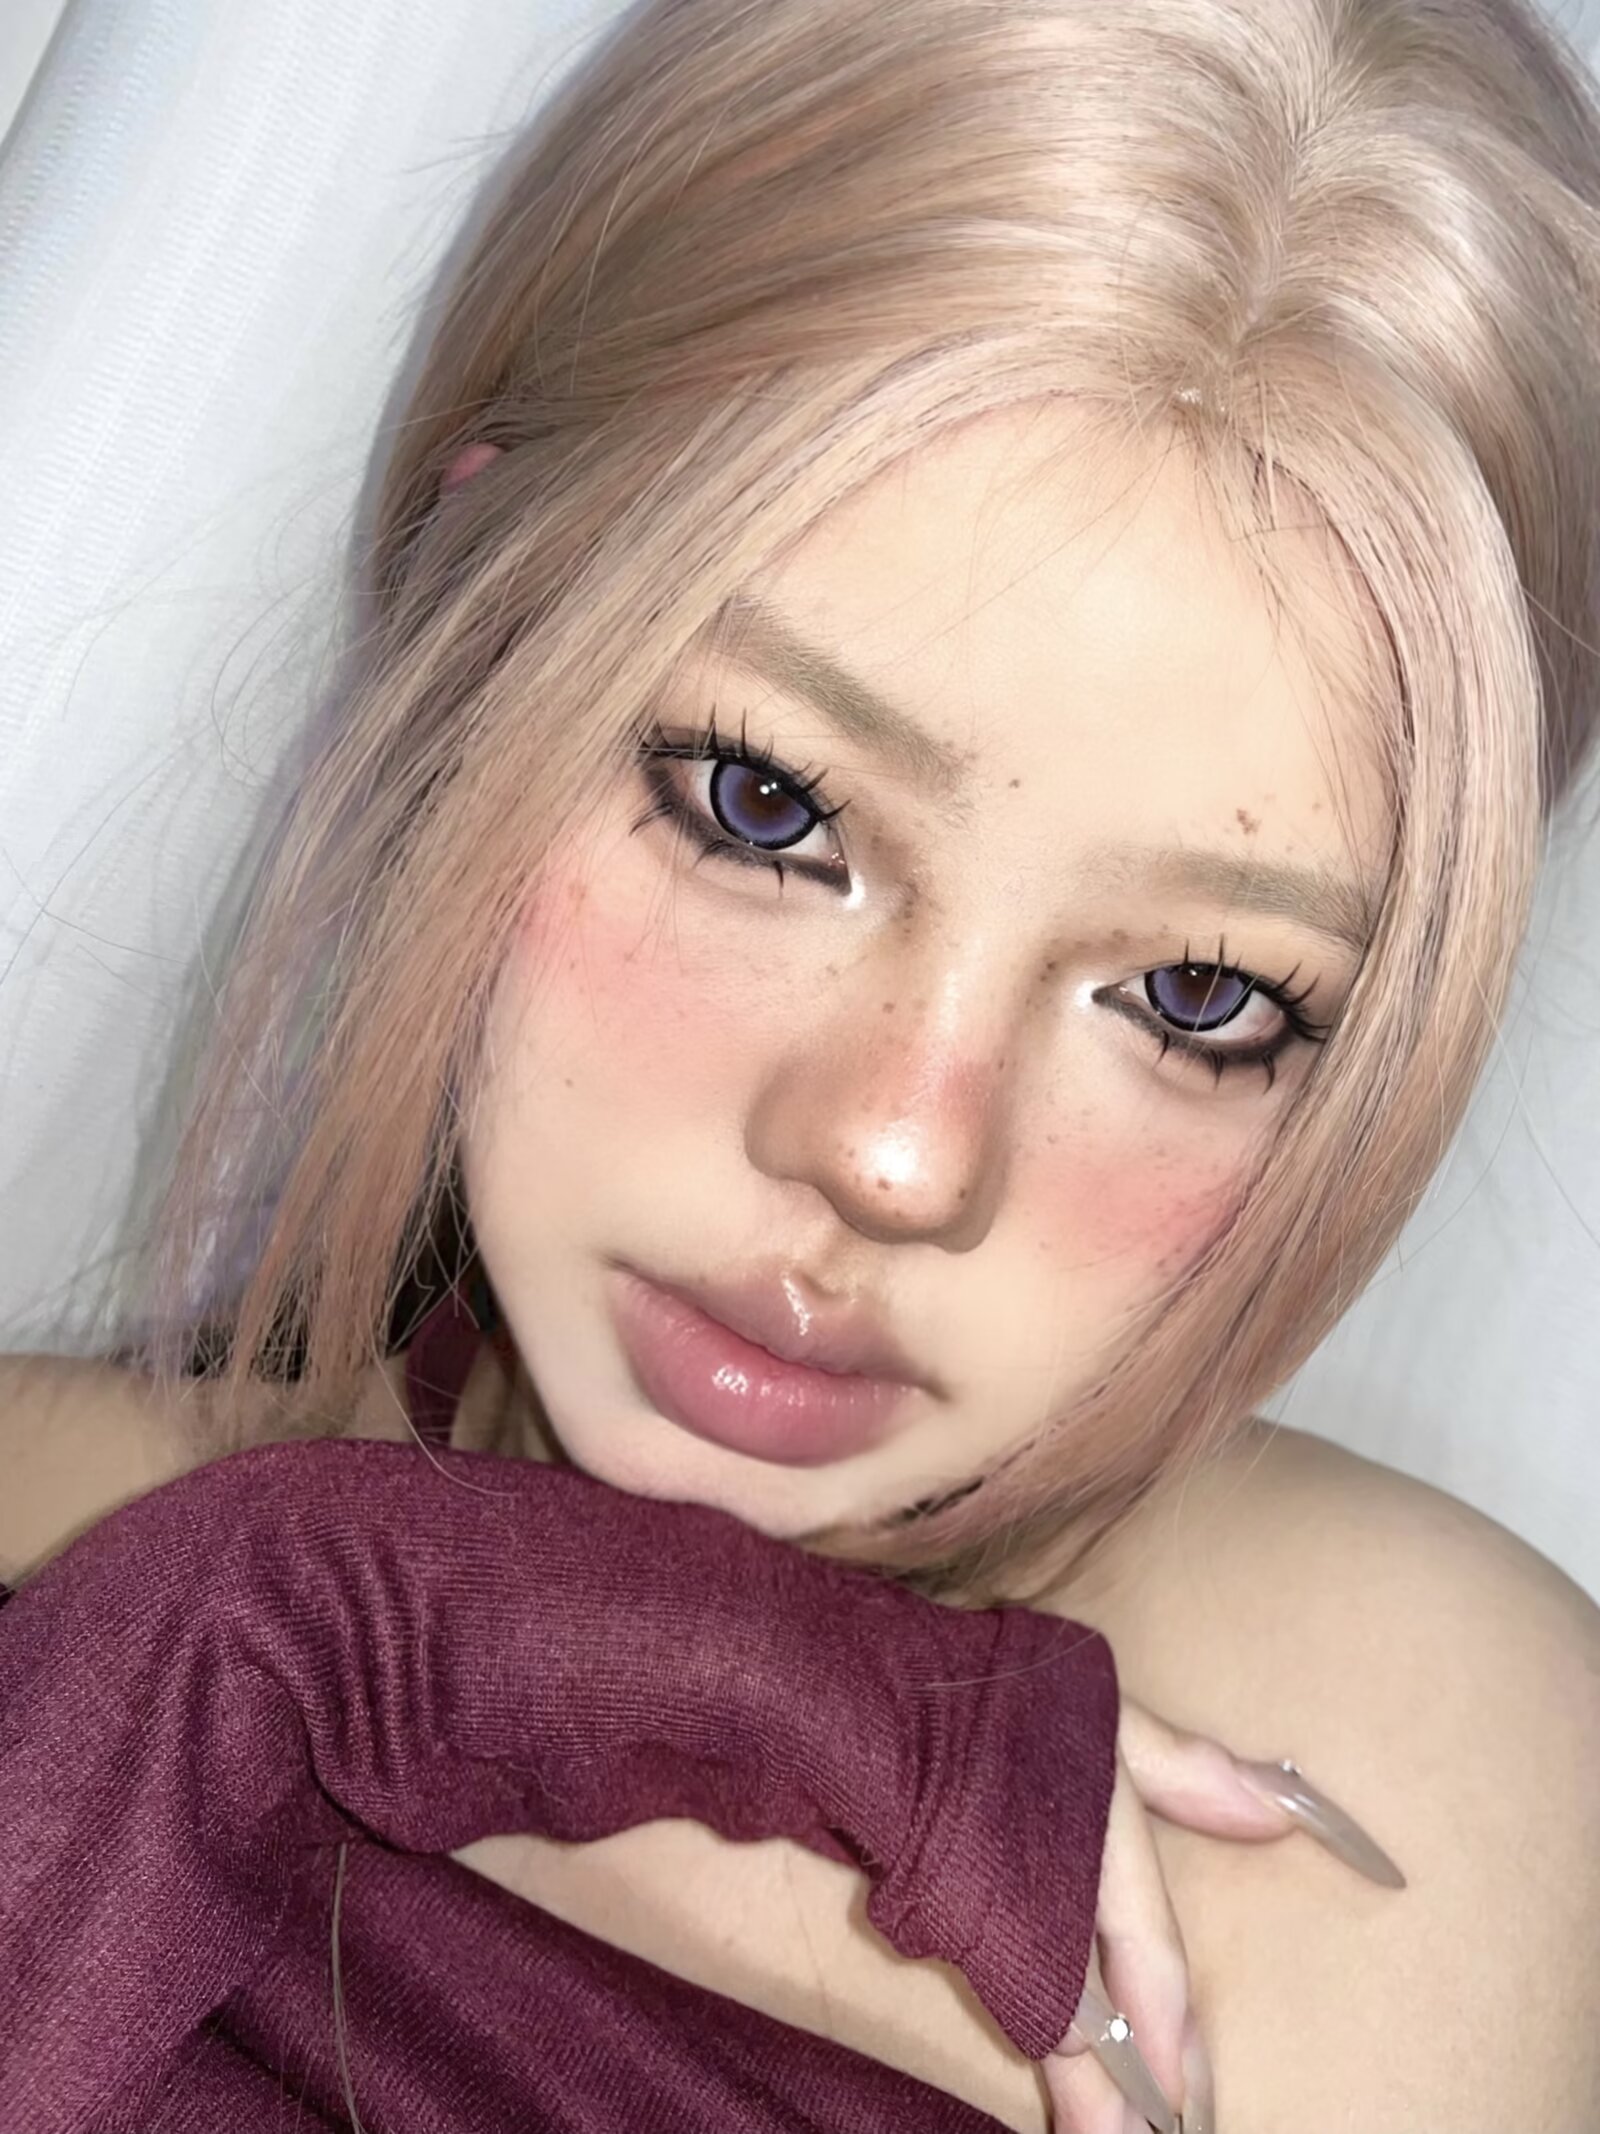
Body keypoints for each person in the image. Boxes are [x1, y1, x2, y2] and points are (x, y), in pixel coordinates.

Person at [3, 0, 1600, 2126]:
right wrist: (292, 1623)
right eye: (766, 808)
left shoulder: (1381, 1763)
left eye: (1199, 996)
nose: (897, 1152)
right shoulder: (48, 1523)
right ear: (468, 626)